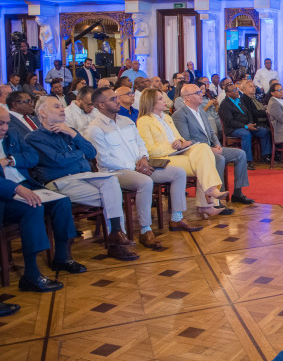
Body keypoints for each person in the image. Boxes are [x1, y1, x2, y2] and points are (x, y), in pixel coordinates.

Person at [25, 96, 138, 261]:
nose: (62, 109)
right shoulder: (34, 137)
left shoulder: (68, 131)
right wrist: (80, 154)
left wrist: (72, 133)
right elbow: (59, 160)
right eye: (56, 107)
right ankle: (116, 242)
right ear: (42, 112)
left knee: (112, 181)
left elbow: (91, 152)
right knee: (112, 196)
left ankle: (116, 233)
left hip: (84, 176)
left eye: (62, 106)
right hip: (60, 181)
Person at [87, 87, 200, 249]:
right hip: (116, 172)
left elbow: (140, 144)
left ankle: (176, 218)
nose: (117, 101)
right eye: (113, 99)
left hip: (140, 166)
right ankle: (145, 230)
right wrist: (134, 166)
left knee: (178, 173)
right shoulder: (95, 128)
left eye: (116, 98)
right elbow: (104, 160)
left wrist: (143, 158)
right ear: (101, 105)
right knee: (145, 182)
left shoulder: (126, 121)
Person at [0, 106, 85, 299]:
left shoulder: (12, 135)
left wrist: (10, 160)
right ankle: (31, 274)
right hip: (5, 195)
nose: (4, 127)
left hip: (25, 184)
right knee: (33, 207)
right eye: (0, 123)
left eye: (6, 123)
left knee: (62, 201)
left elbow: (32, 157)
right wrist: (15, 188)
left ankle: (62, 257)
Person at [136, 88, 229, 218]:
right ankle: (207, 198)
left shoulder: (166, 117)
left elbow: (178, 137)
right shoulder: (144, 121)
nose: (165, 101)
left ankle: (209, 194)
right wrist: (174, 147)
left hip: (178, 152)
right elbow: (150, 150)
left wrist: (180, 142)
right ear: (150, 102)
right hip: (163, 158)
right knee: (202, 162)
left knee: (203, 148)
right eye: (160, 99)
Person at [172, 84, 254, 205]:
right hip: (197, 152)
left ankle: (238, 193)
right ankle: (217, 200)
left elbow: (211, 132)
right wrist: (210, 149)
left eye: (201, 92)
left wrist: (217, 144)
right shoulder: (180, 114)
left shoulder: (202, 112)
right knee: (219, 159)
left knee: (240, 154)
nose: (202, 94)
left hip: (211, 147)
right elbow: (186, 140)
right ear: (188, 97)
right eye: (198, 93)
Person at [219, 82, 271, 169]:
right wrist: (246, 126)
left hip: (247, 125)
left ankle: (265, 156)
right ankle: (247, 161)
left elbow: (248, 113)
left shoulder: (240, 100)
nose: (237, 92)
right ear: (227, 93)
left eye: (237, 89)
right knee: (246, 134)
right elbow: (230, 122)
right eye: (234, 90)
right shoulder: (225, 105)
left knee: (264, 131)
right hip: (233, 129)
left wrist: (250, 123)